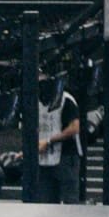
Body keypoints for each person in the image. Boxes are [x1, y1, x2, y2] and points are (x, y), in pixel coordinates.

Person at [36, 74, 82, 205]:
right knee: (46, 201)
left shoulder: (66, 99)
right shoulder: (36, 101)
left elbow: (74, 128)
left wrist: (49, 141)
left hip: (66, 155)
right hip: (44, 157)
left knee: (70, 200)